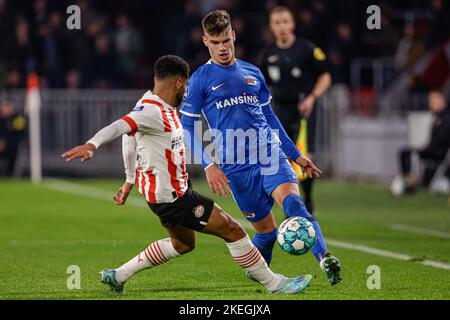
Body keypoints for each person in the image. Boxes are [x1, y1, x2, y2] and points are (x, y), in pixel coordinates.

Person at [62, 55, 312, 294]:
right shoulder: (151, 112)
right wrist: (92, 144)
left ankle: (118, 275)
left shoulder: (149, 102)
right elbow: (119, 126)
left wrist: (129, 179)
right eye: (187, 85)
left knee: (183, 244)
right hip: (174, 198)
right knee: (233, 230)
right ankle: (273, 284)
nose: (188, 91)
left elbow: (130, 139)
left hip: (164, 195)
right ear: (179, 82)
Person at [180, 10, 341, 286]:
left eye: (226, 41)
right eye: (215, 43)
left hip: (269, 153)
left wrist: (296, 155)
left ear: (233, 35)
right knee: (266, 232)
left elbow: (270, 118)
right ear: (206, 41)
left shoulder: (253, 72)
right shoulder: (200, 80)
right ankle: (262, 273)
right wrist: (209, 165)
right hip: (236, 166)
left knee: (294, 205)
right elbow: (187, 125)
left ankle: (325, 258)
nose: (222, 48)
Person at [259, 6, 332, 216]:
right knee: (281, 156)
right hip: (279, 111)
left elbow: (326, 76)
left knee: (303, 154)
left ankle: (307, 202)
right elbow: (259, 83)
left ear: (292, 24)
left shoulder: (307, 49)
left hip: (304, 110)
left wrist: (312, 97)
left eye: (285, 21)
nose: (281, 26)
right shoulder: (267, 53)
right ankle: (289, 203)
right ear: (271, 26)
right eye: (277, 22)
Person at [391, 90, 450, 195]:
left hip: (439, 153)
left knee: (409, 154)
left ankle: (409, 183)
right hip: (433, 150)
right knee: (406, 152)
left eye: (435, 100)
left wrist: (426, 149)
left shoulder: (446, 119)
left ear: (443, 101)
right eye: (431, 101)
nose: (432, 104)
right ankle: (407, 180)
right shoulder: (437, 118)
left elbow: (441, 141)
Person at [0, 100, 26, 176]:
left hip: (12, 146)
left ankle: (9, 174)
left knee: (13, 150)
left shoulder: (17, 119)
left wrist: (5, 142)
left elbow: (19, 134)